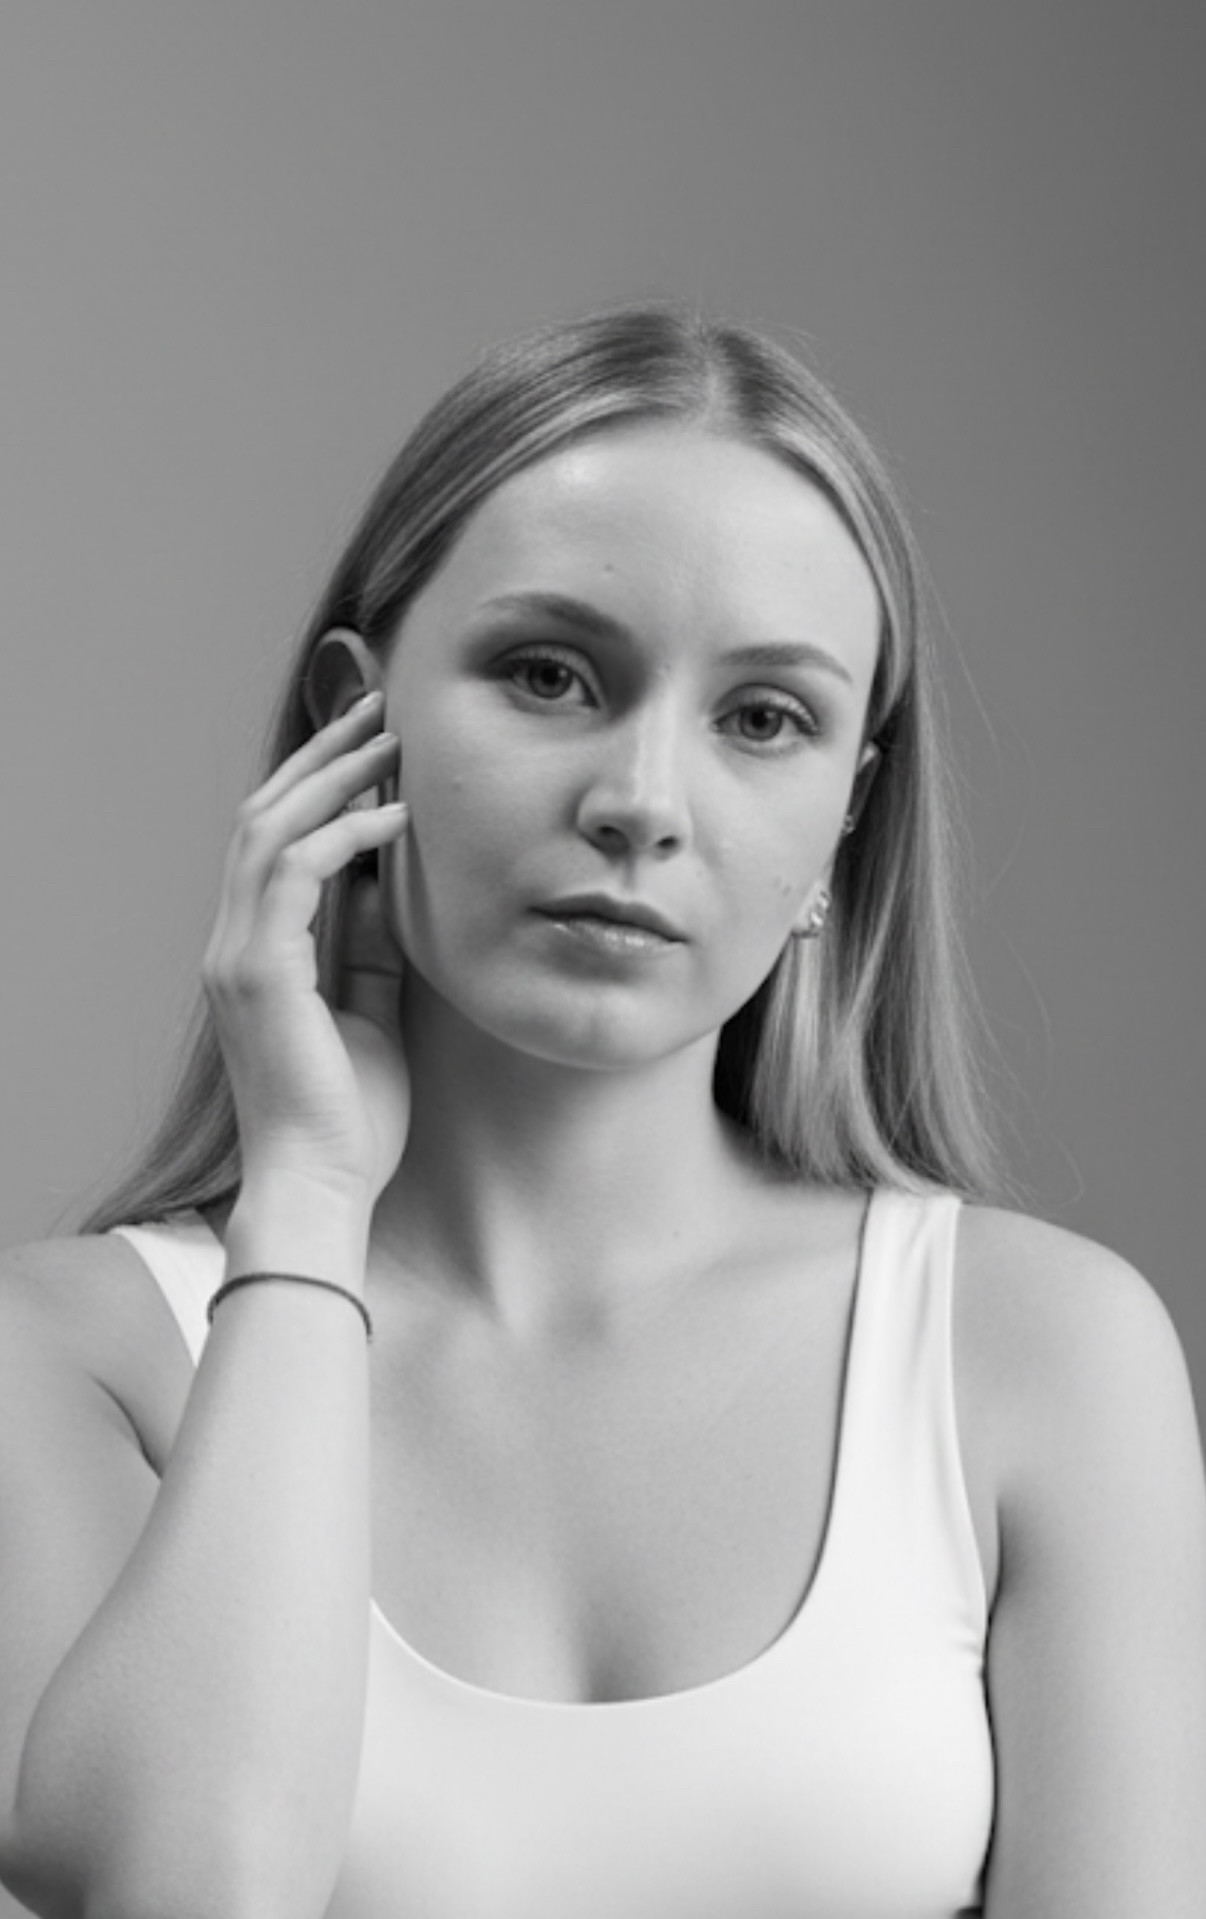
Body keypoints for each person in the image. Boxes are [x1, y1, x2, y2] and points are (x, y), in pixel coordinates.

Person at [0, 303, 1203, 1919]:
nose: (640, 801)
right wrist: (308, 1202)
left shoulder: (1036, 1351)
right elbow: (179, 1895)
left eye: (762, 719)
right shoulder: (63, 1360)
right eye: (548, 676)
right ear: (358, 727)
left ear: (842, 824)